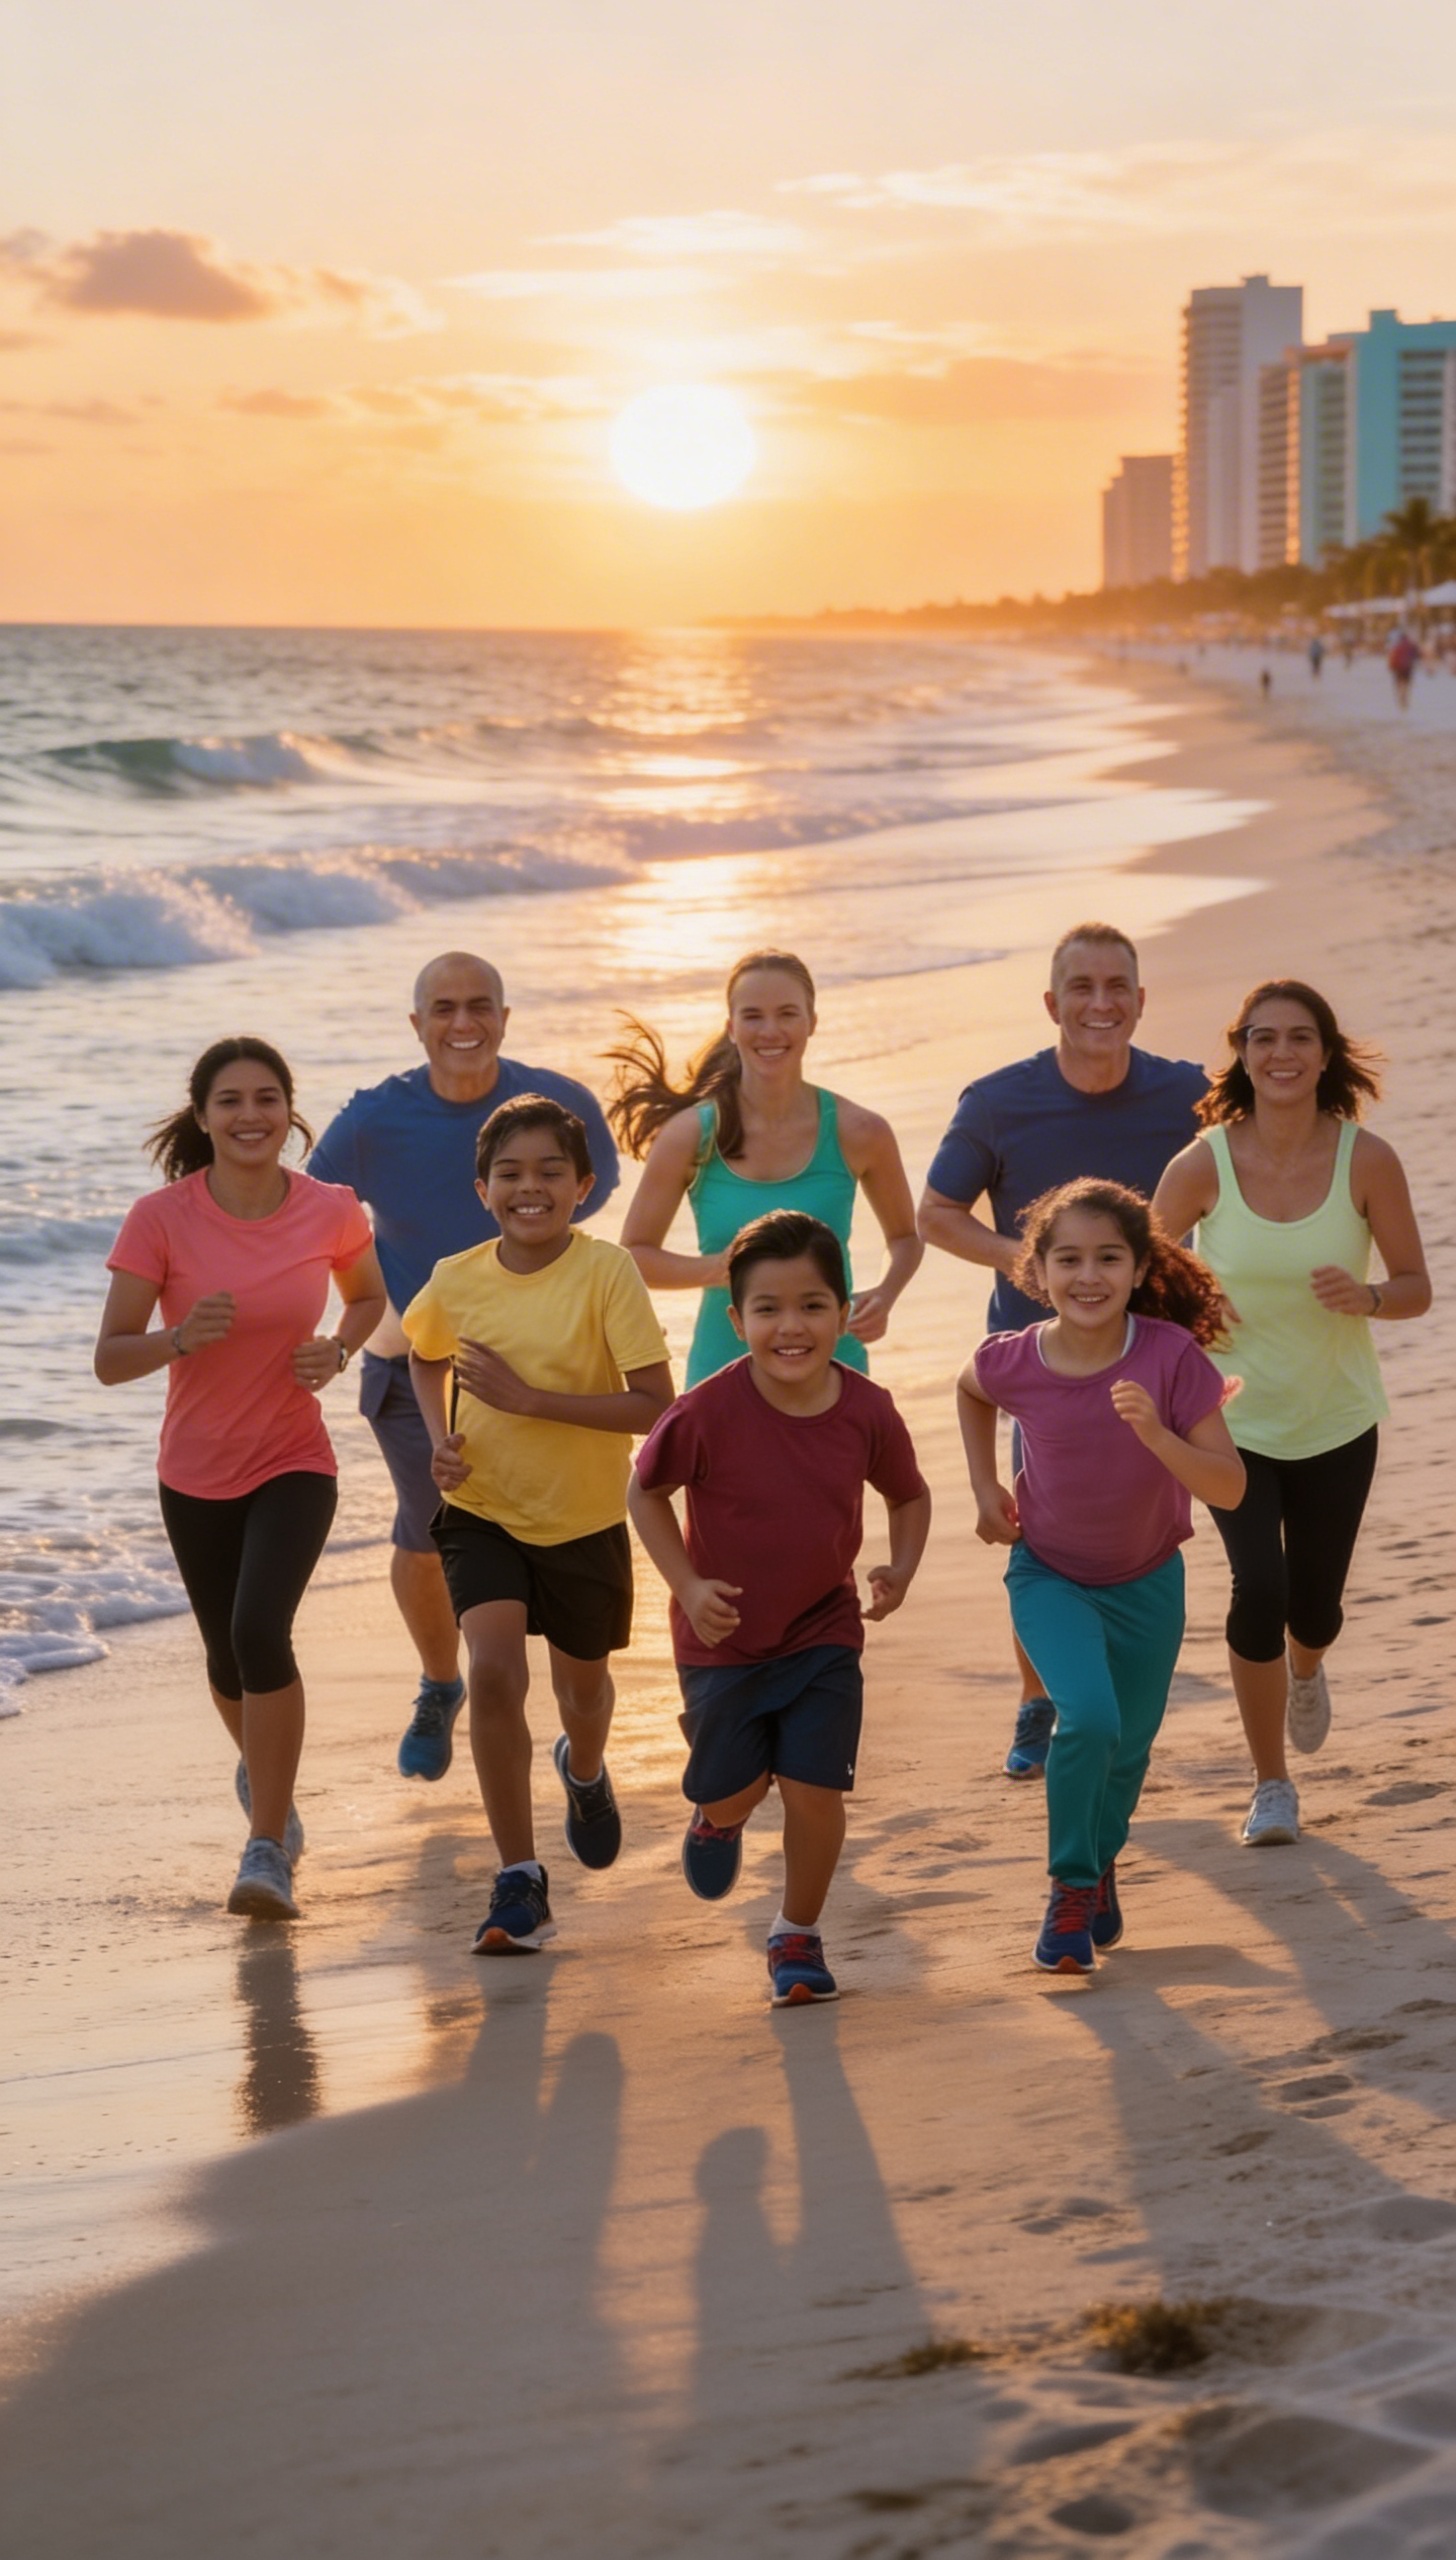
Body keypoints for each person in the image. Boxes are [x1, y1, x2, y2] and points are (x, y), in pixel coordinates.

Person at [308, 951, 620, 1784]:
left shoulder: (555, 1106)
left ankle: (553, 1708)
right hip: (414, 1358)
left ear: (505, 1018)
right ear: (417, 1025)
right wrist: (353, 1306)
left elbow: (592, 1193)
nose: (463, 1023)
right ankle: (442, 1680)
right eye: (442, 1008)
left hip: (547, 1357)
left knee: (543, 1527)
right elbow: (311, 1217)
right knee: (430, 1520)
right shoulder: (375, 1119)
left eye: (480, 1005)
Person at [95, 1038, 387, 1921]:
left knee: (262, 1630)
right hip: (193, 1471)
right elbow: (110, 1358)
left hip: (294, 1459)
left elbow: (369, 1296)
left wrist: (338, 1350)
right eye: (230, 1101)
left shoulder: (331, 1208)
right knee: (226, 1658)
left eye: (267, 1098)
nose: (250, 1116)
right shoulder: (160, 1218)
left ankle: (266, 1848)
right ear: (203, 1115)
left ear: (289, 1110)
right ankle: (273, 1788)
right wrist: (178, 1340)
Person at [918, 923, 1206, 1779]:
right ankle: (1036, 1698)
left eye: (1117, 987)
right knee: (1039, 1526)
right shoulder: (1000, 1100)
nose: (1100, 1004)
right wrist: (1029, 1266)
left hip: (1158, 1354)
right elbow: (937, 1214)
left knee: (1148, 1525)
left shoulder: (1188, 1094)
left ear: (1141, 1002)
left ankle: (1111, 1691)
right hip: (1039, 1360)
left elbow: (1251, 1162)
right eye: (1081, 988)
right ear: (1052, 1003)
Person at [1152, 982, 1431, 1847]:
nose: (1281, 1054)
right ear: (1242, 1052)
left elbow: (1417, 1287)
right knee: (1256, 1590)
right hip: (1228, 1424)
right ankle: (1271, 1783)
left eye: (1299, 1038)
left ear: (1324, 1052)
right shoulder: (1202, 1164)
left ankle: (1307, 1665)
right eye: (1263, 1039)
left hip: (1337, 1416)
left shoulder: (1367, 1159)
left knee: (1314, 1607)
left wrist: (1369, 1295)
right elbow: (1146, 1282)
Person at [630, 1210, 930, 2007]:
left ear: (844, 1310)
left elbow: (908, 1494)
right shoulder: (704, 1411)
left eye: (811, 1306)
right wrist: (687, 1586)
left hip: (823, 1631)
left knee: (813, 1791)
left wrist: (900, 1565)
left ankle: (796, 1933)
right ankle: (718, 1819)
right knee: (733, 1786)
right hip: (721, 1643)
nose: (790, 1327)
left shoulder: (867, 1409)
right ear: (736, 1321)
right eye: (767, 1309)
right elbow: (646, 1490)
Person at [402, 1095, 672, 1954]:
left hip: (586, 1518)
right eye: (510, 1173)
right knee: (490, 1674)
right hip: (483, 1511)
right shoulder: (455, 1277)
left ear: (584, 1186)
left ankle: (583, 1769)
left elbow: (654, 1406)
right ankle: (519, 1879)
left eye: (551, 1171)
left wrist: (530, 1401)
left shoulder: (606, 1273)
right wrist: (443, 1438)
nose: (531, 1187)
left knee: (582, 1695)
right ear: (483, 1189)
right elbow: (421, 1351)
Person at [959, 1179, 1244, 1974]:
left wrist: (1159, 1437)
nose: (1090, 1276)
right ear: (1037, 1271)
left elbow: (1228, 1484)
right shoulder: (1017, 1360)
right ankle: (1072, 1887)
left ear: (1139, 1266)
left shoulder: (1169, 1357)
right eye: (1069, 1259)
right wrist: (987, 1486)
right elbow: (971, 1388)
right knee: (1085, 1719)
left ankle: (1099, 1855)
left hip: (1149, 1583)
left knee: (1127, 1754)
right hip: (1048, 1575)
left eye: (1109, 1258)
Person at [608, 950, 922, 1387]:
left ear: (812, 1022)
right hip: (721, 1375)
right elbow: (634, 1258)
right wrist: (722, 1270)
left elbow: (906, 1239)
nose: (770, 1031)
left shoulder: (860, 1131)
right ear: (731, 1028)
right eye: (752, 1016)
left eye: (787, 1014)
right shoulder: (691, 1135)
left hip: (835, 1368)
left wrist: (884, 1295)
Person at [1388, 627, 1420, 709]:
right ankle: (1404, 695)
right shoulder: (1411, 645)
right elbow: (1417, 655)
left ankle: (1401, 696)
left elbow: (1393, 656)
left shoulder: (1397, 646)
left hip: (1398, 667)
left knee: (1399, 683)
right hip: (1408, 667)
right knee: (1406, 683)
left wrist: (1390, 666)